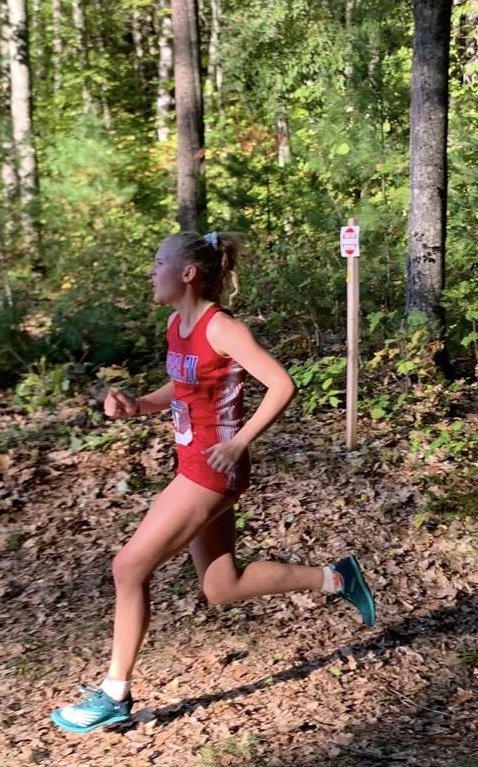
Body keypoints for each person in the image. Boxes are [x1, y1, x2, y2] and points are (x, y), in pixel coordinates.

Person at [51, 230, 376, 734]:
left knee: (128, 568)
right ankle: (336, 578)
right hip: (194, 465)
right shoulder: (176, 326)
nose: (151, 271)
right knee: (222, 586)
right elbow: (185, 386)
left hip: (212, 470)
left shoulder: (222, 328)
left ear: (187, 273)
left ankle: (114, 694)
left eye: (159, 262)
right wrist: (140, 405)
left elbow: (282, 384)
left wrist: (239, 441)